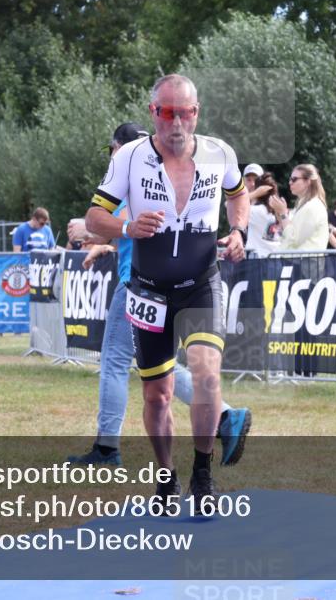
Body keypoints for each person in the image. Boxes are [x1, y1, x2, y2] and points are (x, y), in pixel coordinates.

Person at [86, 75, 250, 511]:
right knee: (156, 395)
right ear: (152, 112)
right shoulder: (130, 158)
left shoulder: (219, 153)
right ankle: (165, 477)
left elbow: (238, 195)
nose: (176, 122)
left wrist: (239, 231)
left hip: (201, 283)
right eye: (166, 113)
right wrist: (126, 227)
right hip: (149, 288)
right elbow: (93, 218)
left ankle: (202, 475)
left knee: (207, 373)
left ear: (197, 113)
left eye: (185, 113)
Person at [268, 164, 329, 251]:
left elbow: (294, 239)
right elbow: (288, 230)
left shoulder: (312, 207)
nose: (290, 182)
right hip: (297, 258)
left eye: (294, 179)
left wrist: (283, 213)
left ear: (308, 182)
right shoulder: (303, 205)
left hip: (304, 259)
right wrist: (279, 213)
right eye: (290, 179)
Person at [245, 173, 282, 257]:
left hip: (258, 257)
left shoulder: (256, 211)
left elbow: (230, 204)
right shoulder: (280, 210)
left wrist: (255, 193)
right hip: (277, 257)